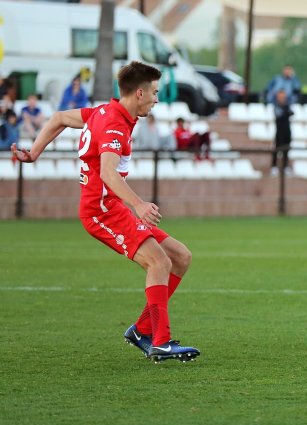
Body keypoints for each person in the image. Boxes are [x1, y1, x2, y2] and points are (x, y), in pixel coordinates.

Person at [10, 60, 200, 363]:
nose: (156, 98)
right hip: (102, 211)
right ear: (139, 93)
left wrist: (34, 152)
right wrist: (138, 205)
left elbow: (59, 118)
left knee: (181, 257)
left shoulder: (103, 112)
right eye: (154, 92)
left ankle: (142, 330)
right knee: (159, 262)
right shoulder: (114, 124)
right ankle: (160, 342)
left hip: (109, 207)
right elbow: (109, 175)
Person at [272, 89, 293, 176]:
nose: (282, 98)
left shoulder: (287, 106)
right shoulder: (276, 106)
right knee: (277, 149)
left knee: (286, 150)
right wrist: (286, 113)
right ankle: (274, 166)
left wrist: (286, 113)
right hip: (279, 132)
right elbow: (280, 115)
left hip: (287, 131)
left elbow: (290, 113)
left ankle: (285, 166)